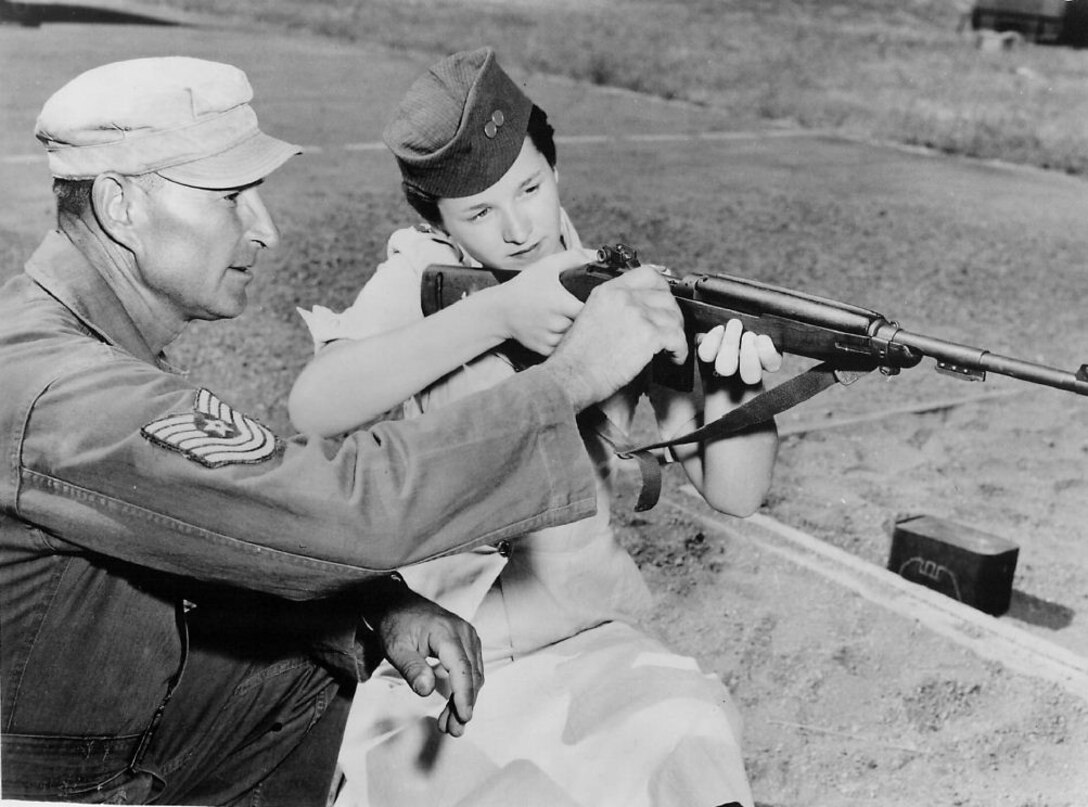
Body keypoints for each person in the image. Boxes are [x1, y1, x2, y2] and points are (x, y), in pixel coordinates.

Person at [0, 56, 693, 806]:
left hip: (70, 727)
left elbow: (207, 531)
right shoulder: (69, 390)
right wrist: (571, 377)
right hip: (45, 783)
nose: (264, 227)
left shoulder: (63, 333)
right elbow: (339, 504)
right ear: (121, 204)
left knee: (311, 657)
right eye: (232, 197)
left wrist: (374, 603)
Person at [289, 48, 782, 807]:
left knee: (688, 746)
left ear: (556, 169)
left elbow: (737, 493)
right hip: (445, 648)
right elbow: (315, 404)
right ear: (437, 221)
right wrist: (499, 311)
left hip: (588, 631)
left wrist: (733, 389)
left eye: (531, 186)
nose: (519, 227)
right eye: (479, 212)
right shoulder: (423, 277)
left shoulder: (622, 291)